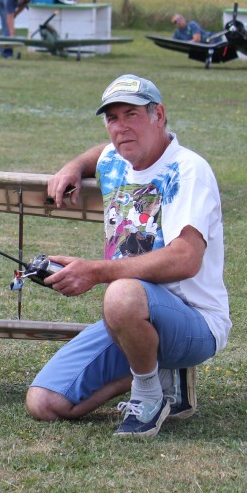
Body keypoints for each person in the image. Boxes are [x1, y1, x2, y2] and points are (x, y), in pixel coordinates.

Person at [27, 74, 230, 438]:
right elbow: (98, 154)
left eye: (132, 115)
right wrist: (73, 166)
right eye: (112, 118)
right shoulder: (115, 159)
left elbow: (185, 259)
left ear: (159, 115)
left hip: (195, 321)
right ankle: (159, 371)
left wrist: (96, 271)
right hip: (131, 318)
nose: (121, 128)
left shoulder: (188, 170)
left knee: (120, 292)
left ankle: (150, 396)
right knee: (44, 403)